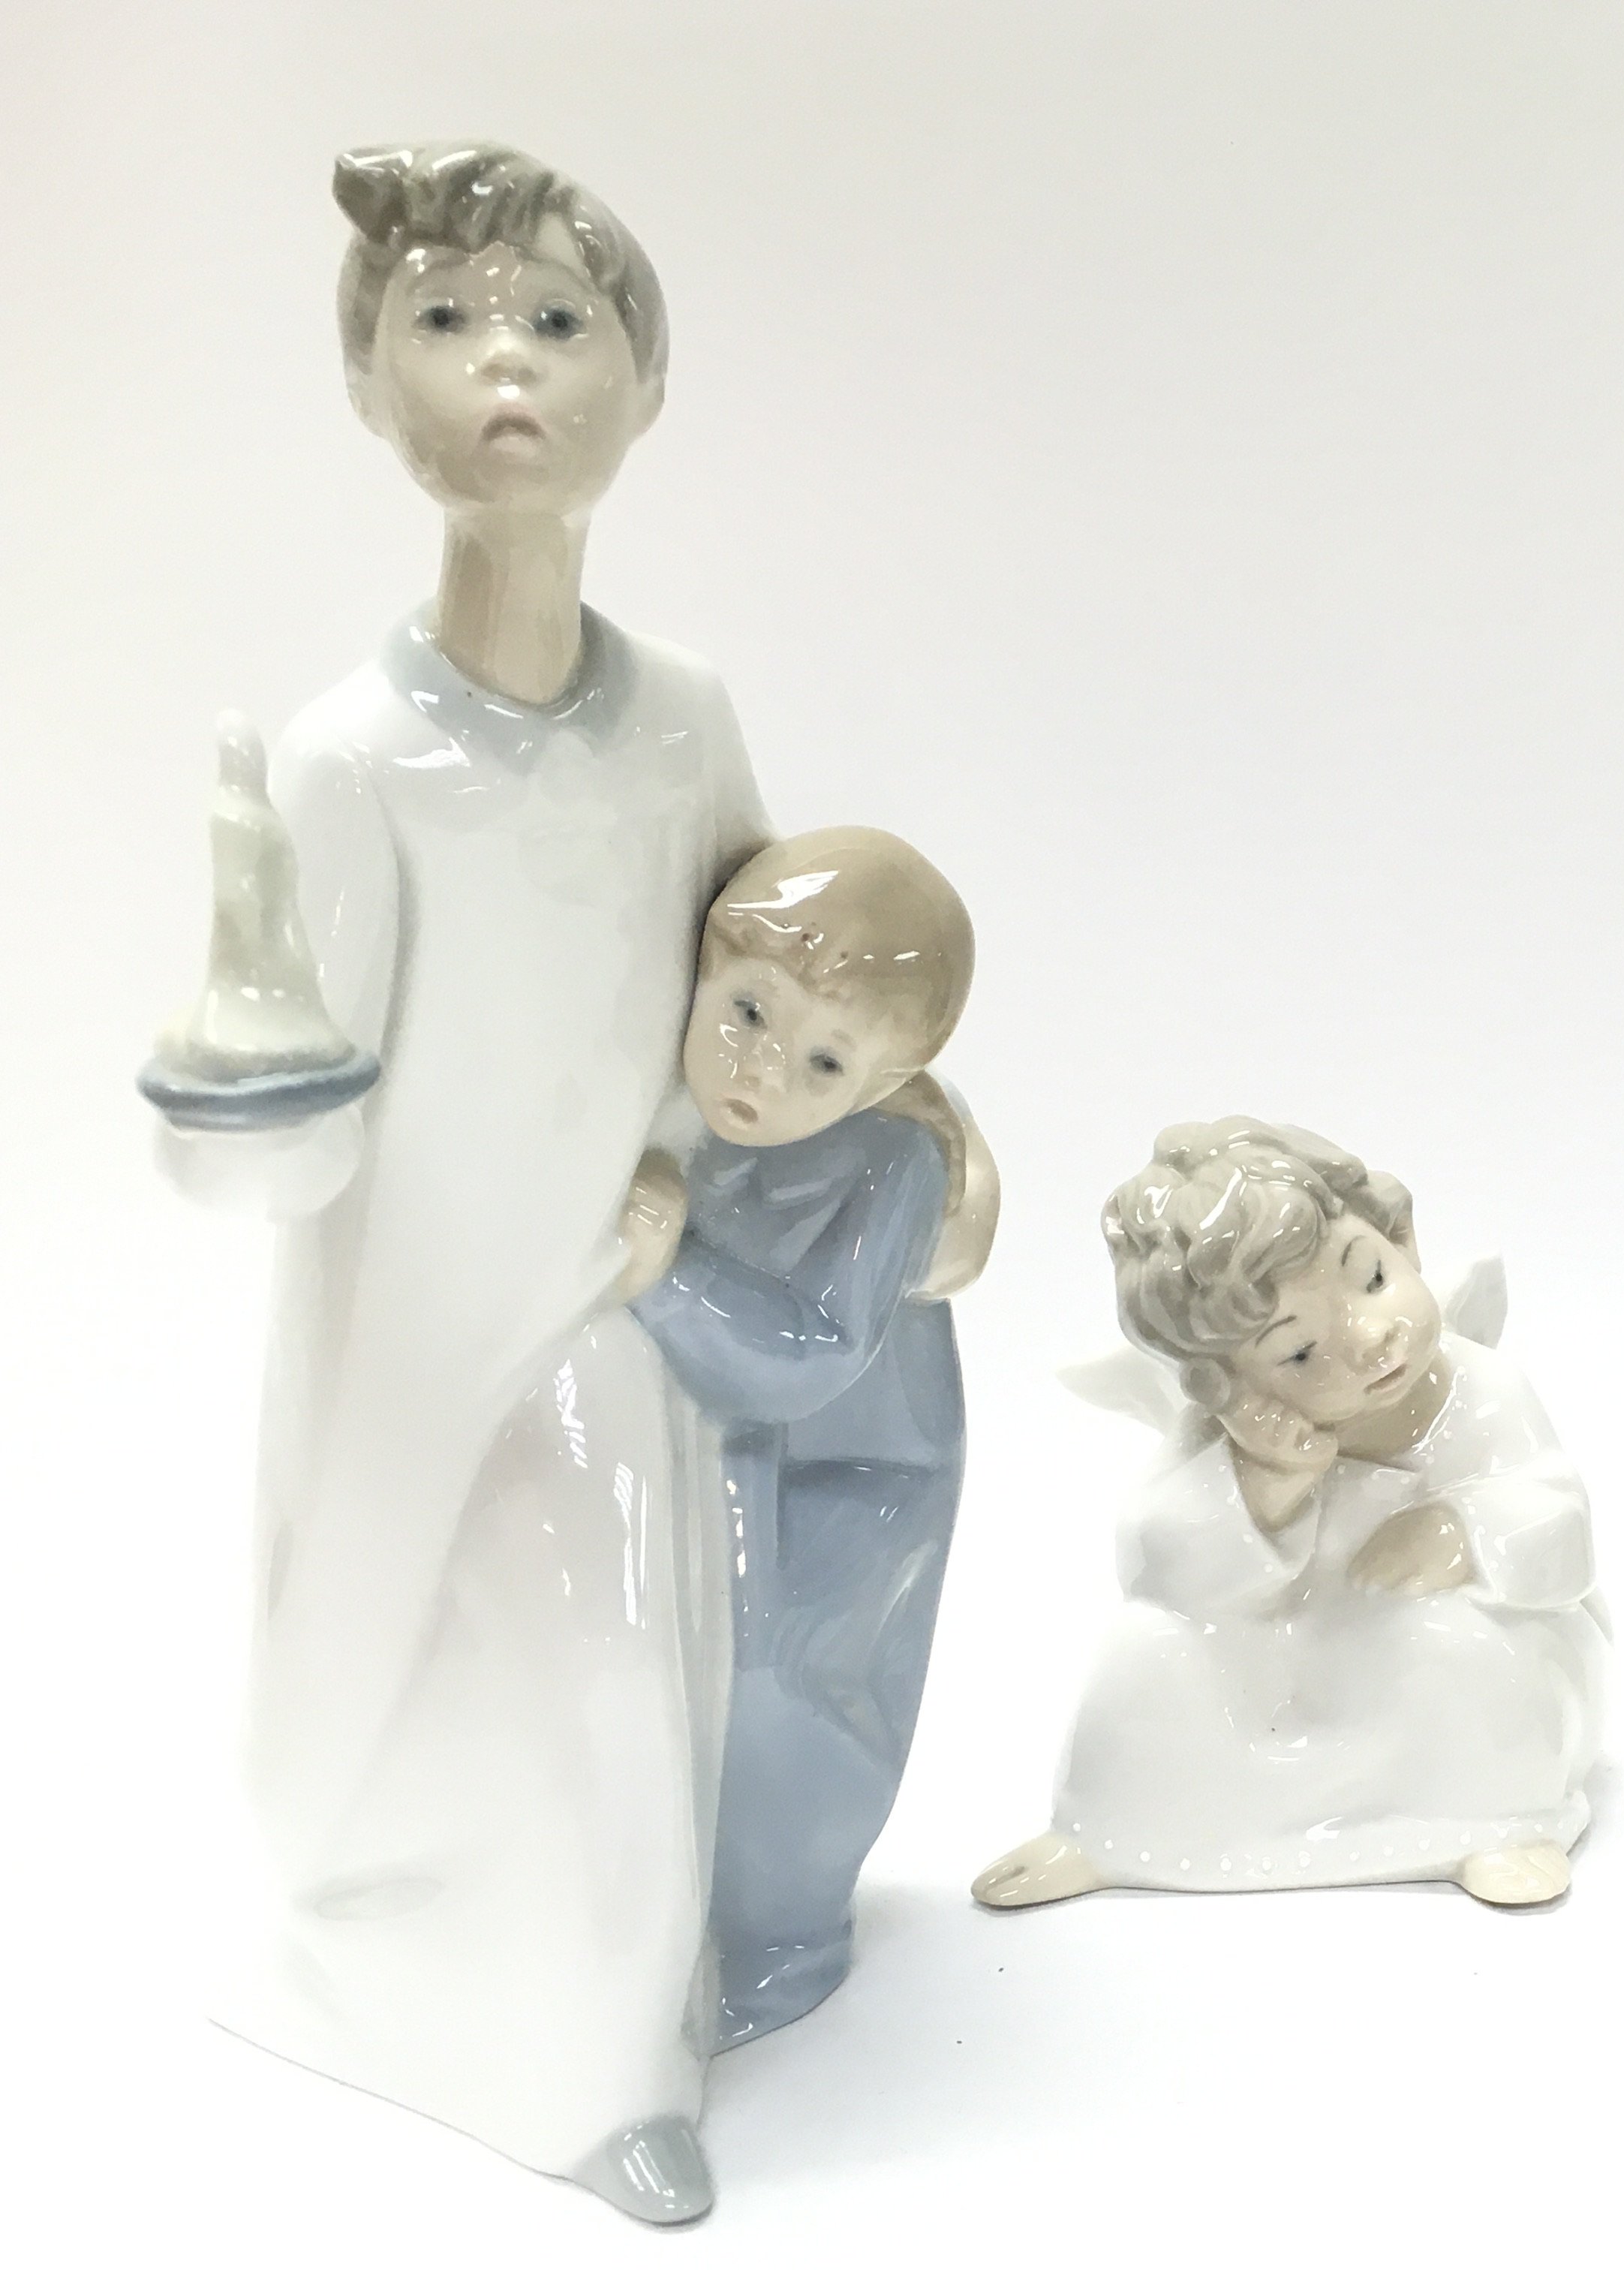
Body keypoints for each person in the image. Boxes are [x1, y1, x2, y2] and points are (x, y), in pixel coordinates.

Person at [155, 143, 768, 2222]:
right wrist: (239, 1051)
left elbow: (748, 993)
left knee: (615, 1672)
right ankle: (423, 1987)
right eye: (443, 319)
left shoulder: (684, 721)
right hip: (413, 1324)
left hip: (614, 1292)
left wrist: (734, 1166)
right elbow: (280, 1152)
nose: (505, 361)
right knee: (399, 1679)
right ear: (372, 389)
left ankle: (598, 2049)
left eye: (559, 321)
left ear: (643, 387)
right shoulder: (349, 760)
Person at [973, 1118, 1606, 1910]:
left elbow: (1556, 1511)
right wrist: (1267, 1485)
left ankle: (1491, 1823)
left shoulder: (1481, 1393)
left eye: (1372, 1278)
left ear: (1402, 1239)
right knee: (1149, 1648)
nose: (1371, 1339)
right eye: (1300, 1352)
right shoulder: (1232, 1437)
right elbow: (1160, 1567)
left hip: (1430, 1664)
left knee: (1450, 1645)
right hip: (1291, 1663)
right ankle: (1116, 1832)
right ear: (1228, 1383)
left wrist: (1462, 1531)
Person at [623, 828, 990, 2047]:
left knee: (781, 1683)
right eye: (747, 1012)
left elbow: (813, 1356)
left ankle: (782, 1934)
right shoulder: (656, 1091)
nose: (762, 1072)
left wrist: (668, 1273)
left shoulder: (894, 1165)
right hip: (715, 1446)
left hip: (851, 1480)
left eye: (825, 1060)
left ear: (884, 1084)